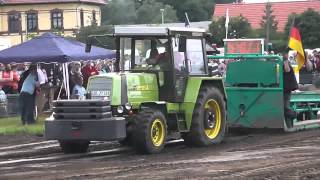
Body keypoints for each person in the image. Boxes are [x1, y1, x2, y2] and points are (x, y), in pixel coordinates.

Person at [283, 58, 298, 128]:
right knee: (284, 109)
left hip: (286, 91)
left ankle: (294, 114)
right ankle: (289, 127)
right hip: (282, 90)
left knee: (285, 108)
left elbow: (287, 70)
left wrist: (285, 60)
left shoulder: (288, 67)